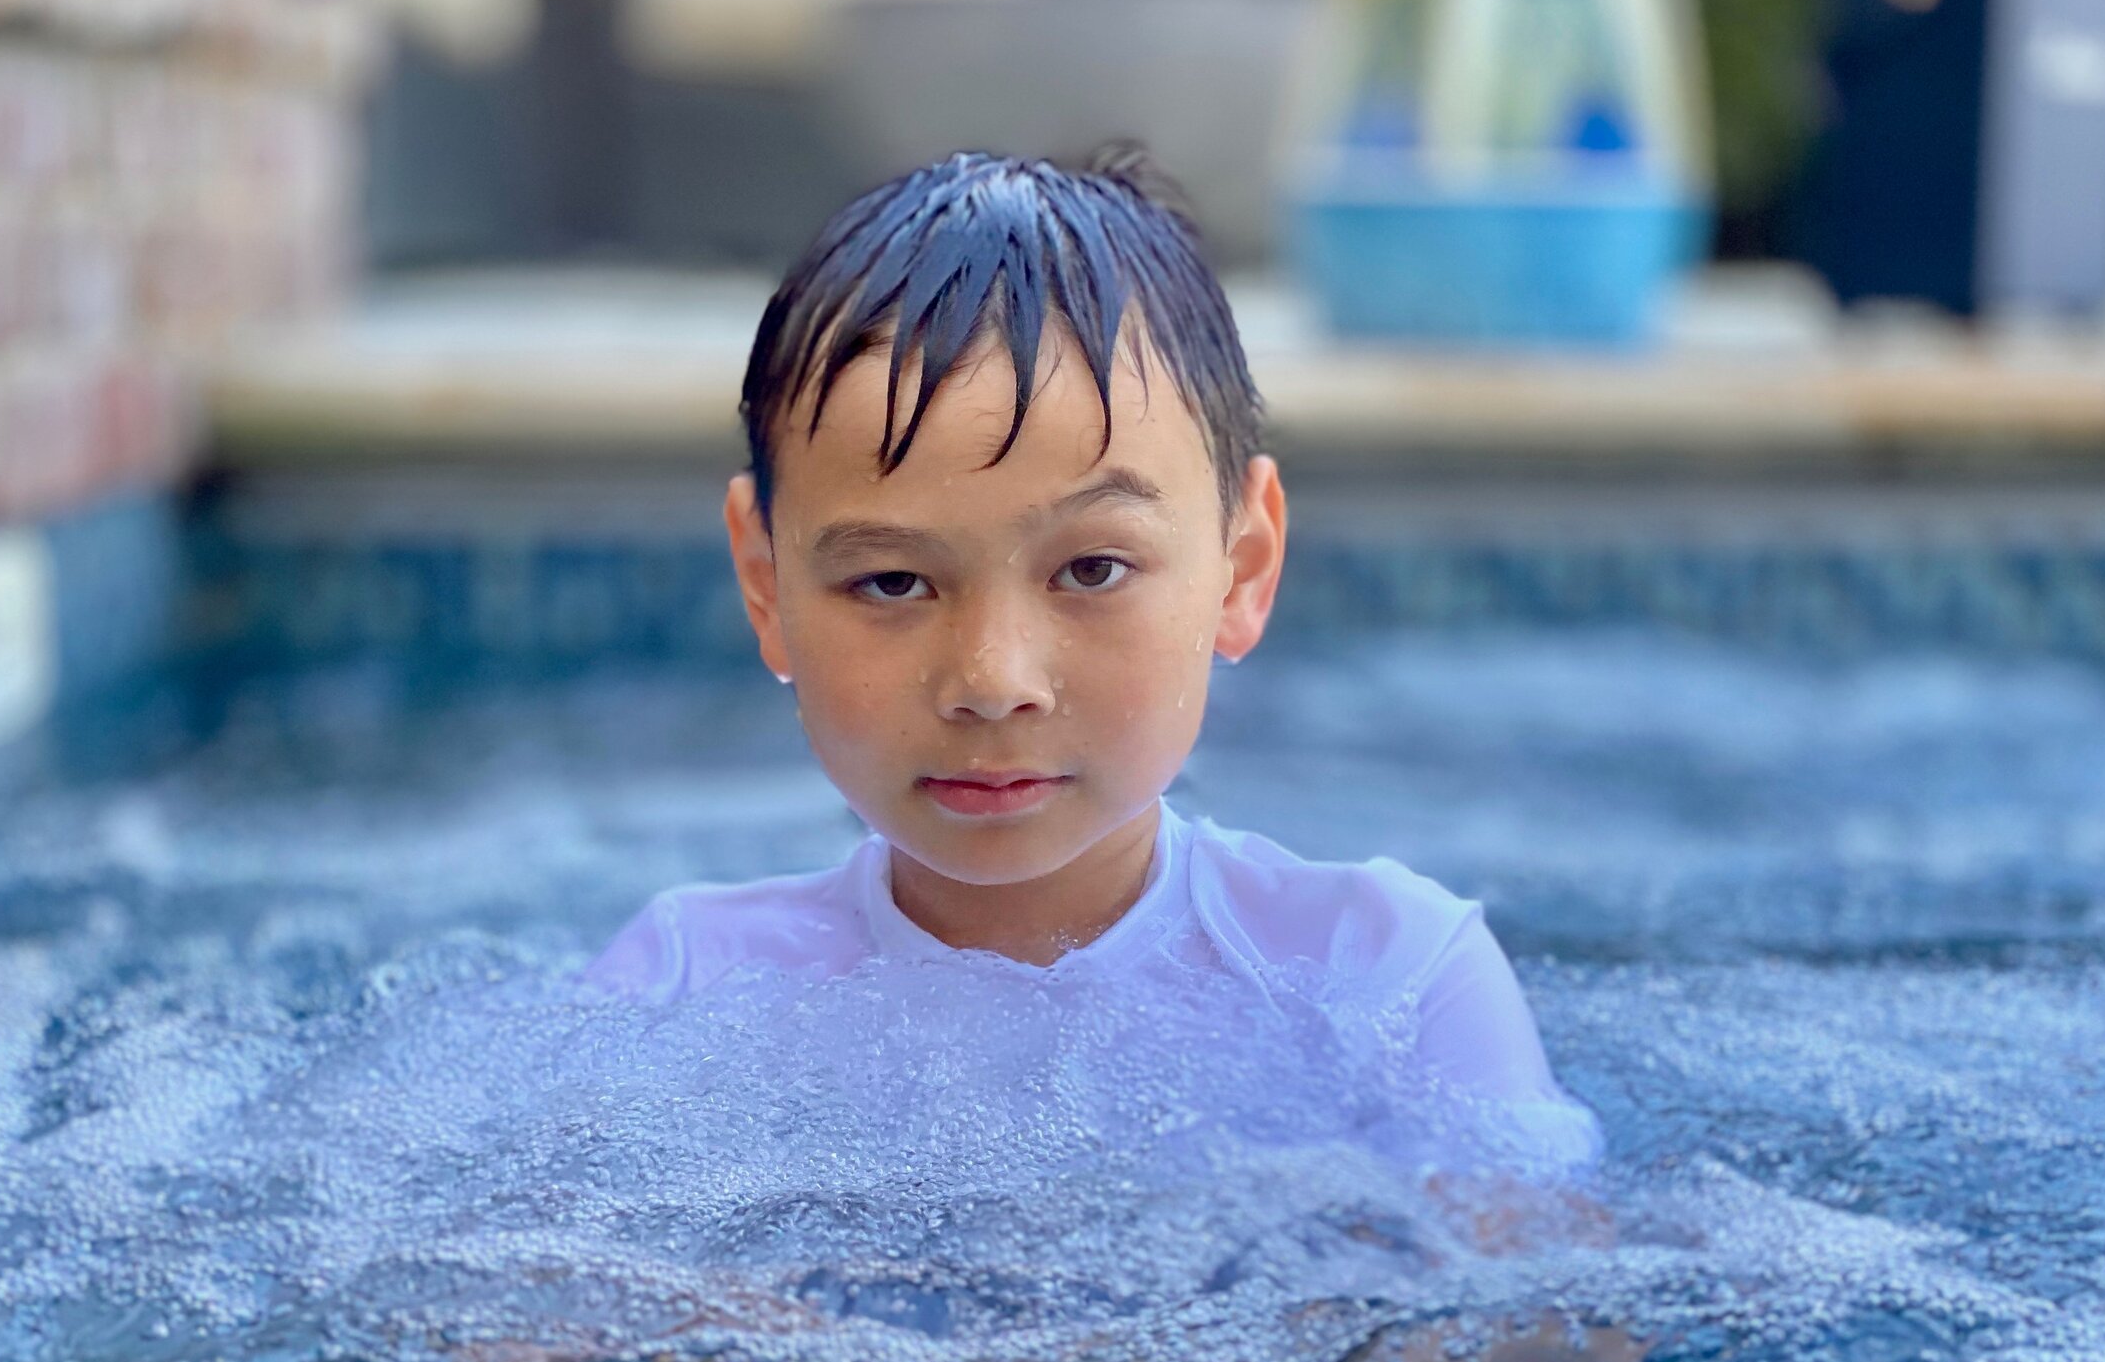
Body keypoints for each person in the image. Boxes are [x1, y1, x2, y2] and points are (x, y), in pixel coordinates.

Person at [583, 146, 1598, 1186]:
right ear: (764, 585)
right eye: (891, 582)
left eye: (1092, 568)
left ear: (1241, 565)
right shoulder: (683, 991)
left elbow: (1548, 1313)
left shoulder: (1385, 981)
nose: (991, 677)